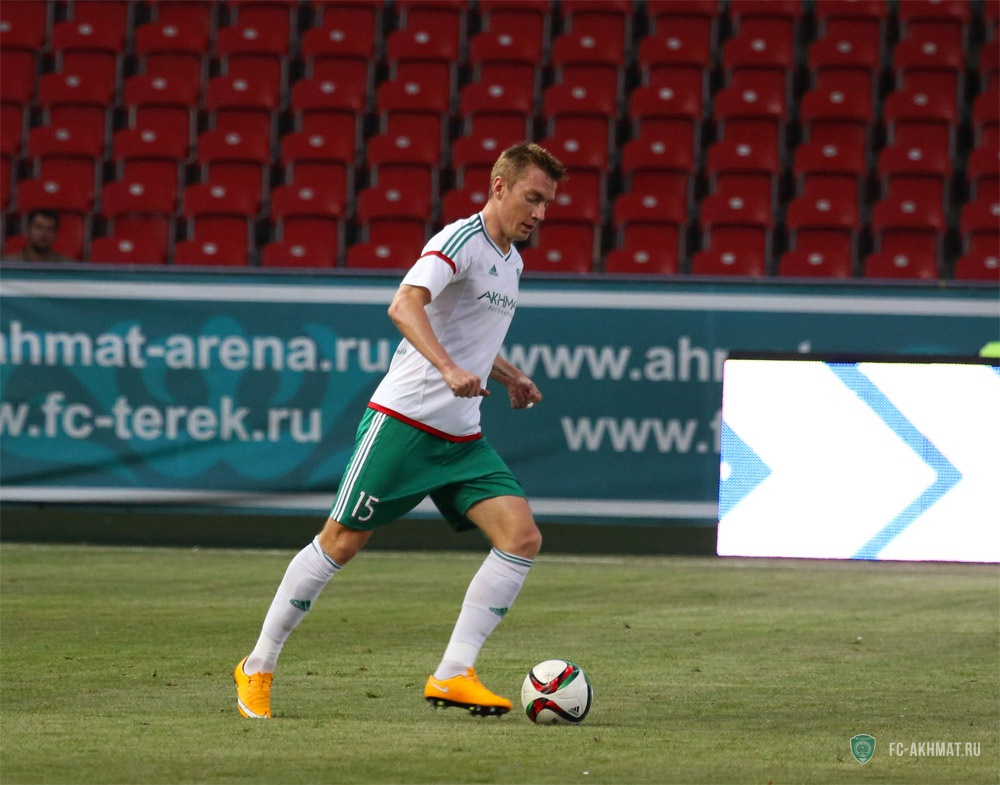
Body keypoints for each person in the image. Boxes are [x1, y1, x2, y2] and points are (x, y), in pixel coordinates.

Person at [235, 142, 565, 719]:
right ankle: (257, 665)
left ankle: (453, 673)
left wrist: (510, 374)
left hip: (460, 438)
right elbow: (404, 305)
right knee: (340, 543)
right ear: (499, 187)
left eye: (547, 204)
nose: (539, 213)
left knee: (521, 537)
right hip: (404, 422)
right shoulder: (459, 240)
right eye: (532, 198)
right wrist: (448, 369)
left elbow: (467, 334)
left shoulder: (511, 262)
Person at [4, 210, 72, 262]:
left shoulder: (67, 266)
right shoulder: (8, 264)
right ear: (27, 230)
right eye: (38, 227)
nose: (44, 234)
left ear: (55, 233)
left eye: (49, 229)